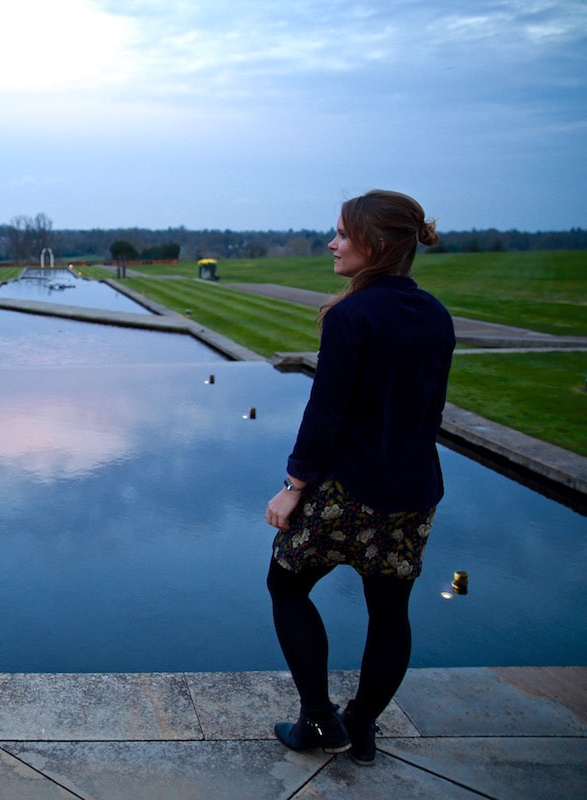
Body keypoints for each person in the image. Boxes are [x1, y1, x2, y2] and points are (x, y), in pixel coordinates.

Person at [265, 190, 455, 766]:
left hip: (348, 491)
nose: (332, 244)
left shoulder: (352, 315)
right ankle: (363, 727)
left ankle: (319, 721)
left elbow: (326, 413)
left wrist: (293, 487)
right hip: (414, 491)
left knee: (286, 585)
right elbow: (430, 413)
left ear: (372, 244)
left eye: (342, 235)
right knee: (390, 610)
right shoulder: (436, 314)